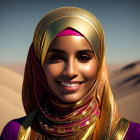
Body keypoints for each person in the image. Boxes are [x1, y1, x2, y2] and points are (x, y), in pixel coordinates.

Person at [1, 7, 140, 140]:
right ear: (39, 65)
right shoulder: (15, 133)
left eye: (84, 58)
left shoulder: (131, 135)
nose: (70, 71)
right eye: (56, 58)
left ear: (99, 65)